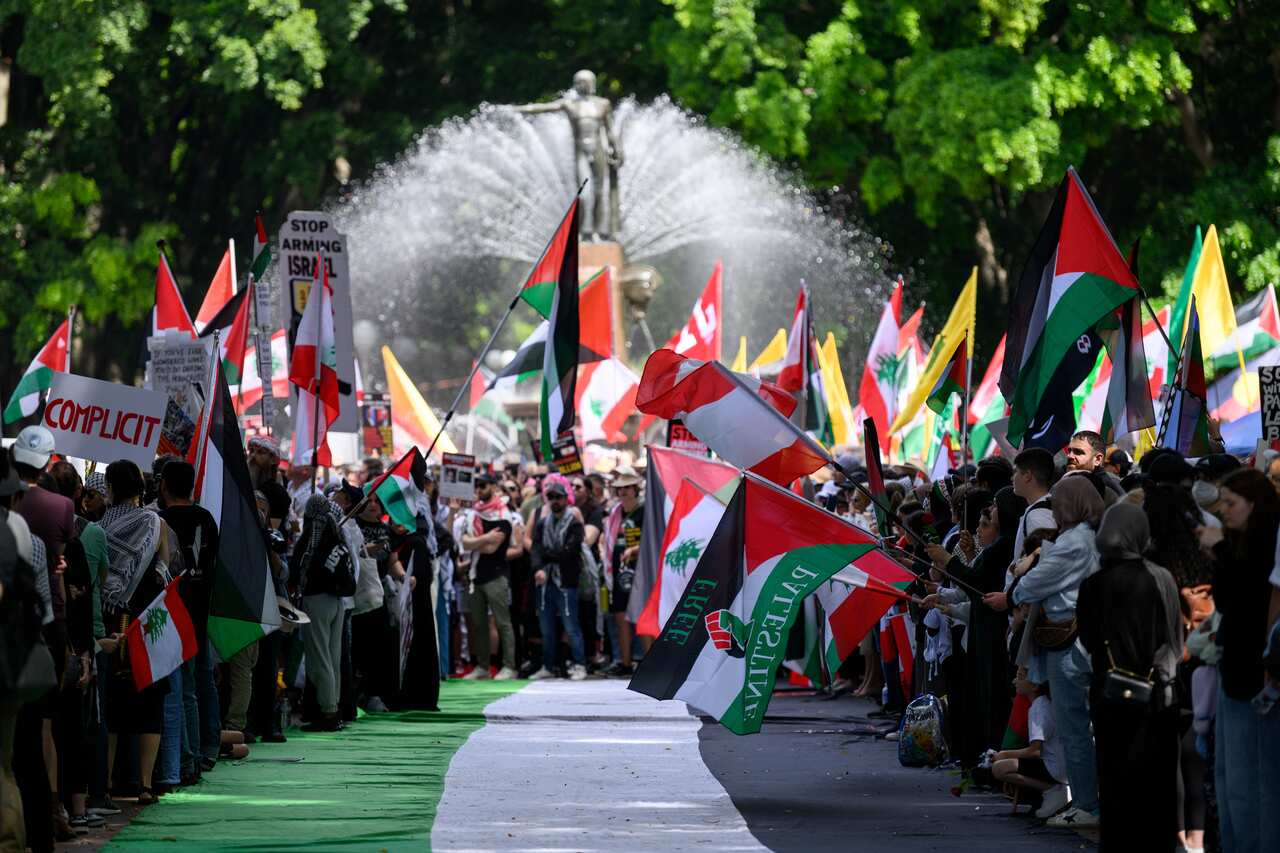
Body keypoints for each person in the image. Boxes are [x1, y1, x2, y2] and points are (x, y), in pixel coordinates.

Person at [998, 475, 1103, 828]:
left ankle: (1087, 803)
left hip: (1069, 644)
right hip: (1075, 640)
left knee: (1072, 726)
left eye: (1059, 501)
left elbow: (1038, 581)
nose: (1054, 507)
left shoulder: (1075, 542)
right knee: (1076, 726)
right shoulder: (1082, 538)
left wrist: (1013, 591)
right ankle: (1087, 800)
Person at [1078, 501, 1183, 850]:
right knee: (1155, 780)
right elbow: (1172, 639)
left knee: (1113, 776)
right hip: (1155, 698)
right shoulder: (1160, 578)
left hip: (1108, 692)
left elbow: (1089, 639)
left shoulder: (1093, 584)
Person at [1197, 468, 1280, 852]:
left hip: (1257, 674)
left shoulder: (1263, 550)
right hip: (1237, 669)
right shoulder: (1241, 545)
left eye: (1232, 503)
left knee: (1253, 780)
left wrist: (1222, 550)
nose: (1225, 511)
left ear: (1254, 505)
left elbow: (1250, 602)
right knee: (1232, 775)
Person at [100, 459, 173, 806]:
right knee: (150, 700)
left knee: (112, 704)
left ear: (110, 489)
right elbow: (165, 566)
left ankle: (109, 784)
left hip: (113, 622)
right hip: (148, 622)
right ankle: (145, 784)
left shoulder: (98, 525)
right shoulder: (155, 523)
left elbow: (101, 574)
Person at [291, 494, 353, 732]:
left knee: (320, 660)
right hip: (337, 602)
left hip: (316, 601)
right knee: (333, 658)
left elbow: (299, 569)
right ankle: (333, 708)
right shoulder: (338, 539)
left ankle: (327, 713)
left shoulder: (313, 541)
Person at [460, 473, 518, 680]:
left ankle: (509, 666)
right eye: (476, 485)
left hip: (497, 576)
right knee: (479, 624)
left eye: (482, 485)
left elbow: (492, 548)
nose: (478, 489)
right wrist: (484, 538)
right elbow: (465, 543)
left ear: (493, 487)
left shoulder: (504, 515)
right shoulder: (472, 515)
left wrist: (476, 541)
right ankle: (482, 667)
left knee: (503, 622)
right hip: (476, 577)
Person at [530, 480, 587, 680]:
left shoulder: (574, 522)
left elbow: (569, 552)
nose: (554, 501)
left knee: (571, 626)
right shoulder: (542, 523)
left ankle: (580, 664)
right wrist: (539, 567)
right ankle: (547, 665)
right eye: (551, 497)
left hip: (566, 581)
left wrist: (546, 557)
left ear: (566, 498)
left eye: (558, 497)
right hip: (545, 582)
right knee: (546, 628)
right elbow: (535, 550)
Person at [991, 676, 1069, 818]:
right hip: (1060, 764)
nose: (1015, 681)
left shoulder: (1039, 708)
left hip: (1056, 768)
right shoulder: (1044, 703)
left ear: (1034, 686)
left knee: (1000, 768)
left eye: (1020, 677)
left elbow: (1035, 751)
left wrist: (1004, 755)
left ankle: (1053, 789)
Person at [605, 470, 643, 676]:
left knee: (642, 616)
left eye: (627, 487)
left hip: (640, 570)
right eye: (620, 488)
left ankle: (647, 662)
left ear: (635, 489)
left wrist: (633, 550)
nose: (623, 492)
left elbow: (651, 538)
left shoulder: (644, 509)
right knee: (620, 617)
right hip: (619, 572)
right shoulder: (615, 512)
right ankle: (625, 662)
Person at [1010, 448, 1056, 568]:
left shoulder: (1038, 516)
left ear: (1027, 476)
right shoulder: (1042, 509)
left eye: (1015, 472)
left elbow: (1043, 566)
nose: (1012, 478)